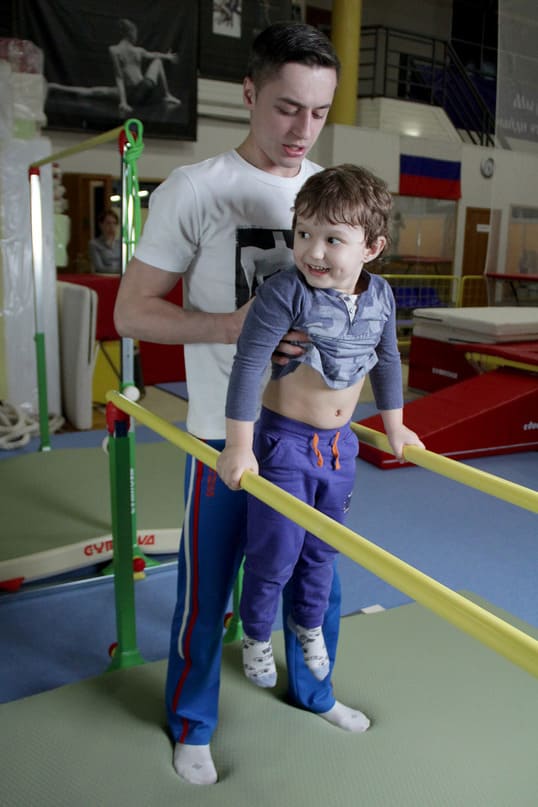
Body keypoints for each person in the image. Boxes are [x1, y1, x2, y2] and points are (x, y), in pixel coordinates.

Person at [115, 22, 366, 787]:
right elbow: (131, 312)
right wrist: (231, 324)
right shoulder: (196, 188)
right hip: (222, 439)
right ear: (250, 93)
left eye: (319, 112)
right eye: (287, 107)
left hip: (308, 441)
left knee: (317, 580)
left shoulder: (330, 192)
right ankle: (192, 722)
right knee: (208, 588)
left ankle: (313, 690)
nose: (302, 129)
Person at [216, 164, 425, 689]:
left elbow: (388, 360)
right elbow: (248, 364)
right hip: (284, 443)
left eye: (333, 239)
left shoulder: (381, 297)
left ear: (371, 248)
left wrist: (396, 426)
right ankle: (256, 634)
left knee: (322, 551)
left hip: (338, 449)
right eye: (304, 233)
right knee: (275, 553)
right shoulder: (285, 292)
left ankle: (307, 625)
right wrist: (239, 445)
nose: (313, 251)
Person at [88, 208, 121, 273]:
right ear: (101, 225)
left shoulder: (121, 243)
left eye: (114, 223)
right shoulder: (94, 244)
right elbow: (100, 268)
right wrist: (121, 270)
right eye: (108, 223)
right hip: (104, 276)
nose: (112, 227)